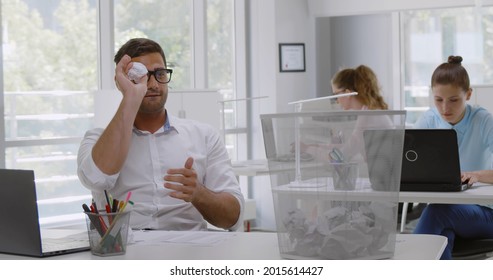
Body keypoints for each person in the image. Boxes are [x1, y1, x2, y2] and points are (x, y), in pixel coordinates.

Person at [77, 38, 244, 231]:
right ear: (122, 82)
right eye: (140, 75)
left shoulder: (204, 136)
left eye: (160, 73)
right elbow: (96, 179)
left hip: (188, 252)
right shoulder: (96, 139)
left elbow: (232, 218)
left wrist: (198, 193)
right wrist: (131, 96)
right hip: (126, 253)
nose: (153, 84)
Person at [412, 55, 493, 259]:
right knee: (441, 238)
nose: (445, 108)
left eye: (454, 100)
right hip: (449, 210)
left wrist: (475, 175)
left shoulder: (483, 120)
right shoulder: (429, 119)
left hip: (486, 212)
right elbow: (409, 161)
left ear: (469, 94)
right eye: (438, 100)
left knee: (436, 213)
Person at [301, 65, 393, 163]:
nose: (336, 101)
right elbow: (348, 146)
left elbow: (339, 157)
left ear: (348, 93)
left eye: (336, 95)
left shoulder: (368, 116)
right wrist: (312, 146)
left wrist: (307, 149)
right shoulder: (369, 111)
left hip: (383, 175)